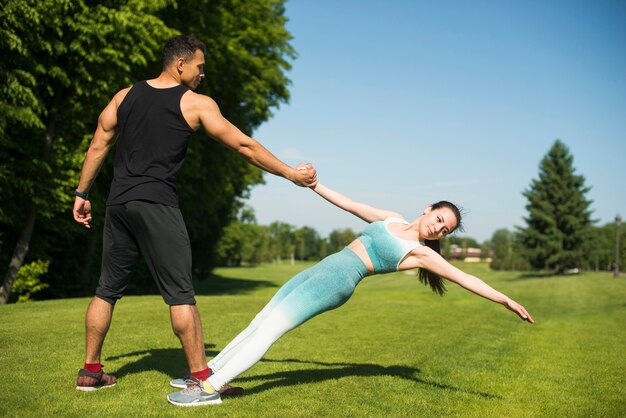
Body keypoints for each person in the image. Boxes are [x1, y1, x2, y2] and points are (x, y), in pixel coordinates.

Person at [71, 35, 317, 401]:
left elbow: (98, 144)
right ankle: (203, 379)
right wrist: (291, 175)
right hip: (157, 206)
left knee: (106, 290)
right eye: (200, 67)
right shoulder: (195, 104)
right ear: (180, 64)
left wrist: (81, 194)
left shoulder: (124, 96)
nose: (203, 74)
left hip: (119, 204)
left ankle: (90, 372)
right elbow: (244, 145)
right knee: (181, 295)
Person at [167, 180, 534, 406]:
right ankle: (207, 374)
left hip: (338, 281)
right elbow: (349, 204)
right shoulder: (389, 218)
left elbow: (464, 278)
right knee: (259, 320)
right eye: (440, 219)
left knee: (271, 329)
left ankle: (211, 389)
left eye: (446, 230)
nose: (439, 229)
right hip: (324, 266)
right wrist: (314, 186)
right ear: (428, 209)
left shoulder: (421, 253)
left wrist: (505, 299)